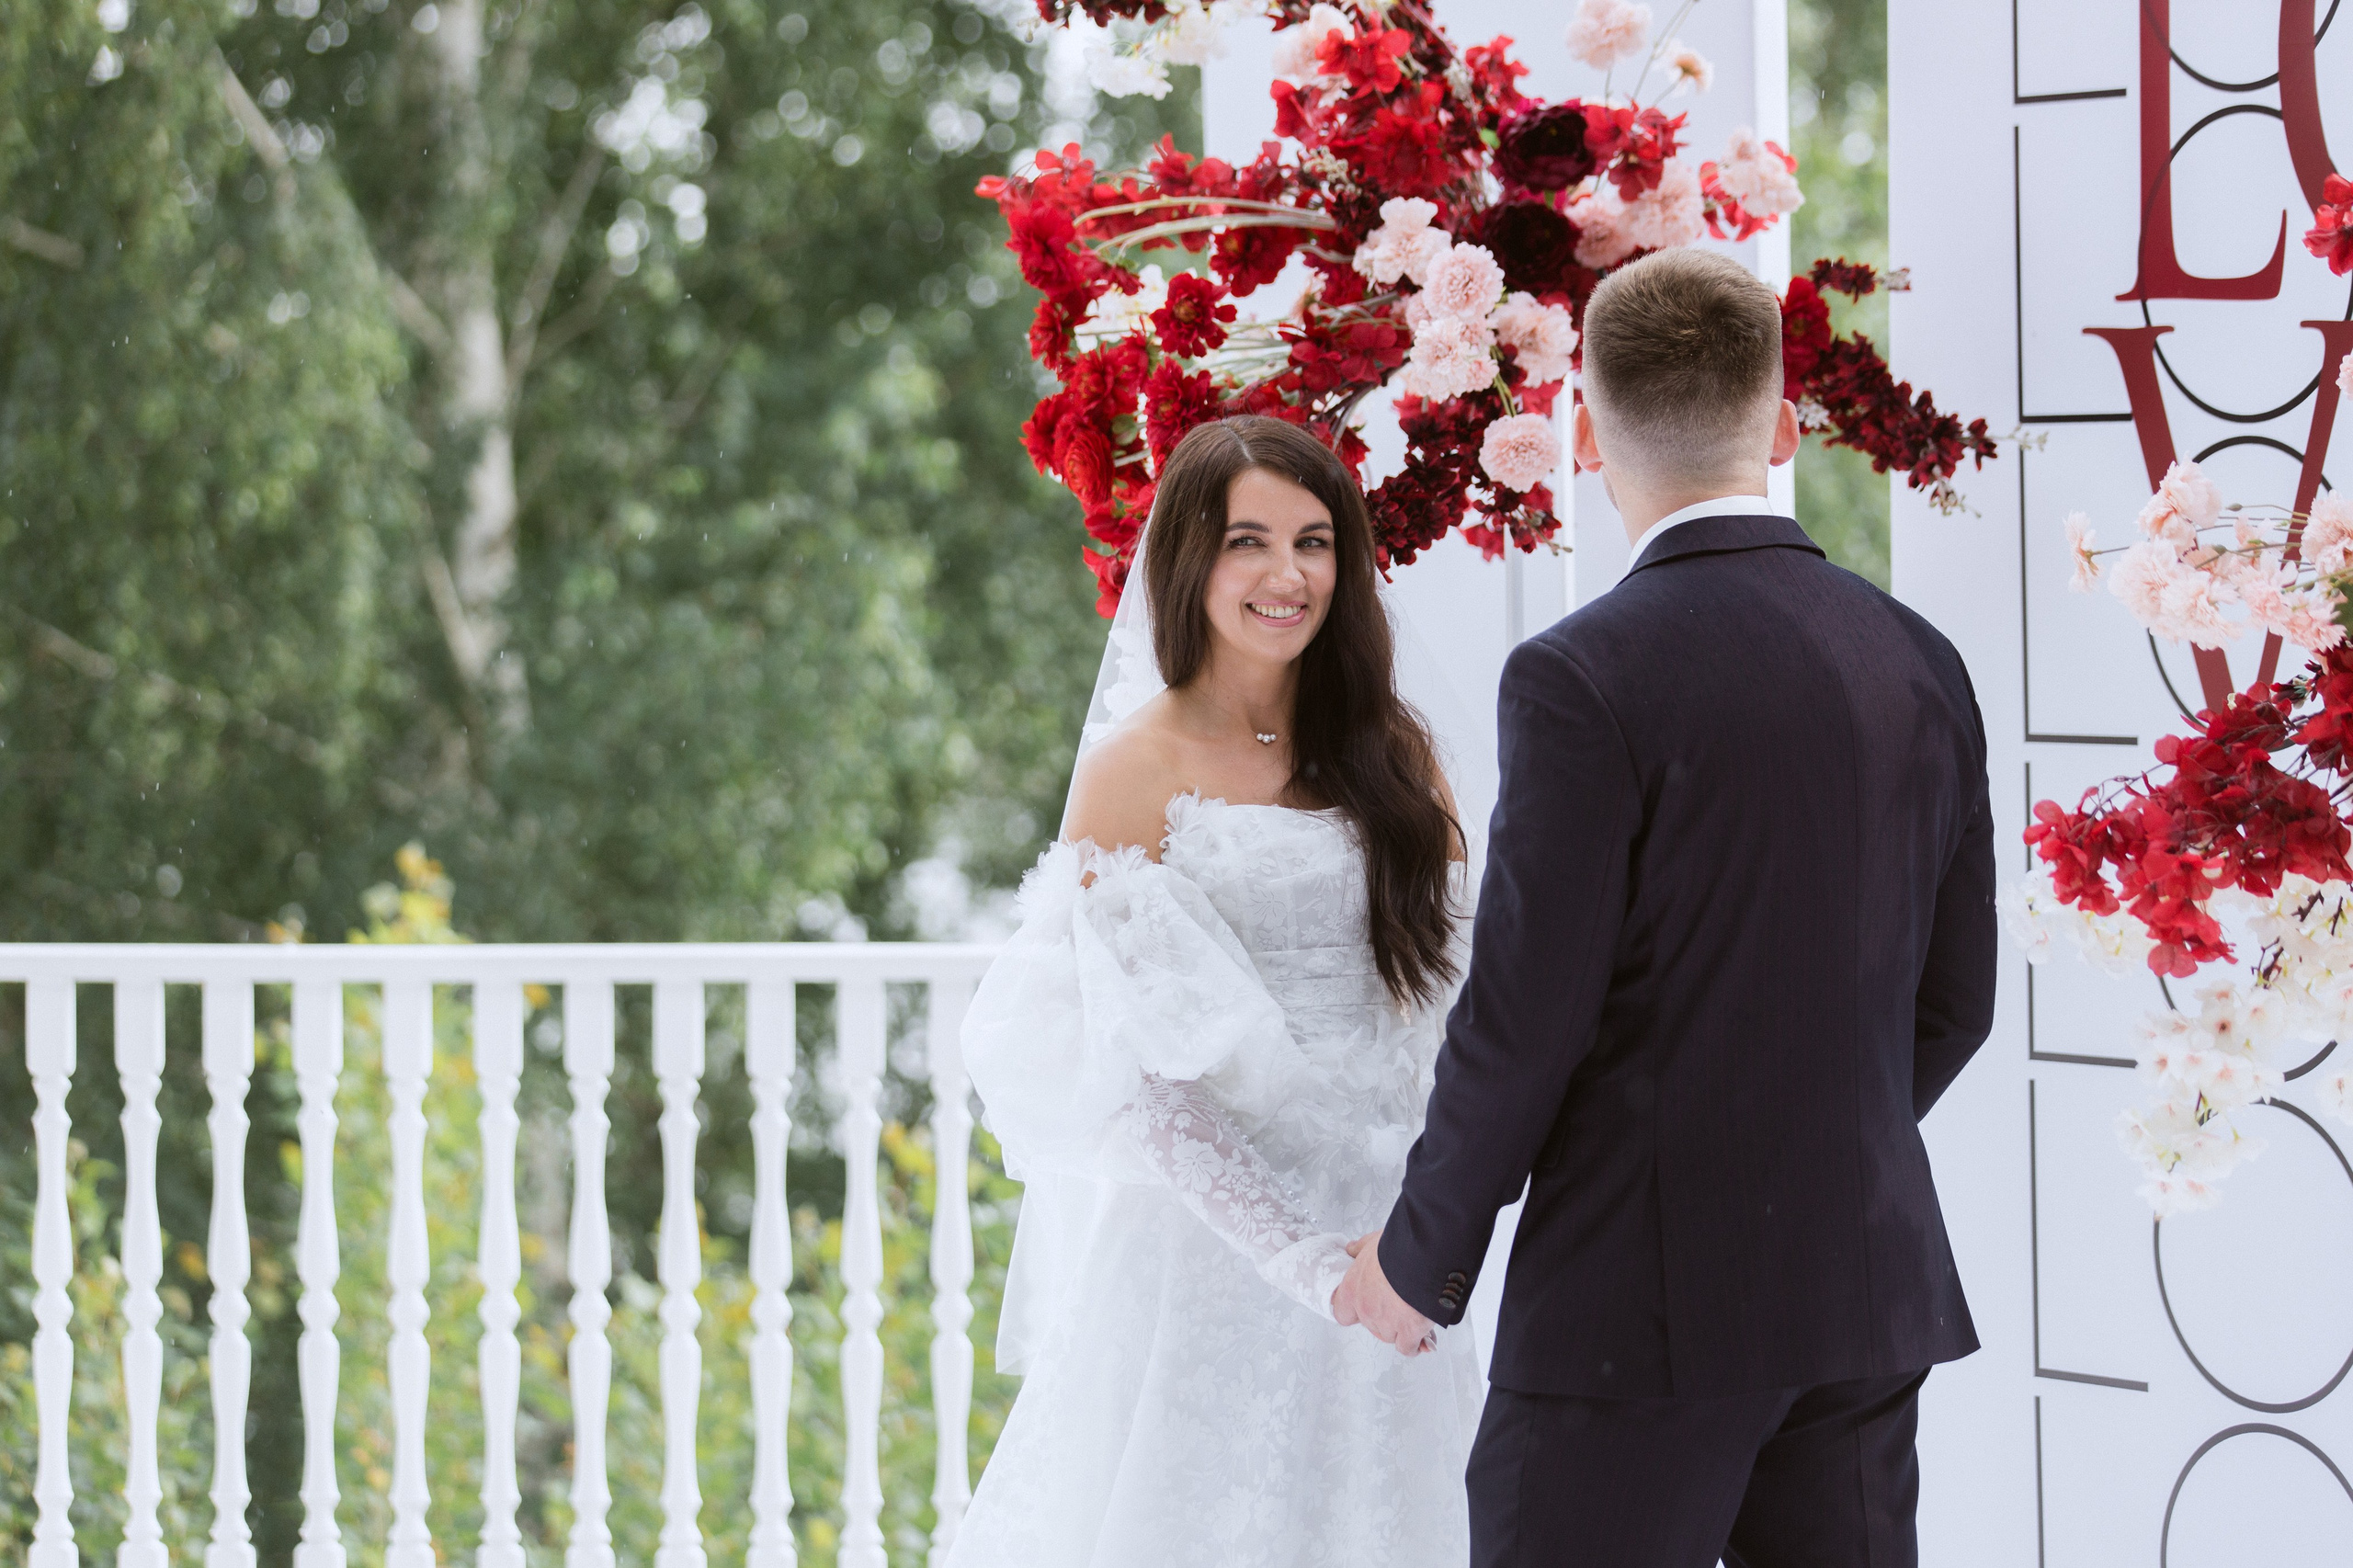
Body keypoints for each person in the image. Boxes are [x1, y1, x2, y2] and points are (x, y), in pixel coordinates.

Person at [1335, 247, 1998, 1568]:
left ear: (1580, 431)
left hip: (1629, 1314)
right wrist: (1801, 1148)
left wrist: (1420, 1257)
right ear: (1788, 425)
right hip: (1860, 1290)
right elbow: (1952, 1004)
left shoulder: (1582, 675)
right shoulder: (1920, 659)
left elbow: (1528, 1017)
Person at [948, 415, 1483, 1568]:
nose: (1288, 575)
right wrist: (1306, 1264)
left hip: (1397, 1237)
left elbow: (1448, 1012)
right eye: (1249, 540)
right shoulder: (1134, 766)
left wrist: (1413, 1240)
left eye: (1315, 540)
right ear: (1190, 558)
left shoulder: (1398, 754)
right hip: (1215, 1257)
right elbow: (1135, 1077)